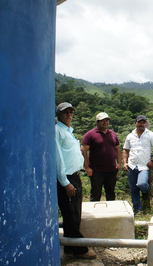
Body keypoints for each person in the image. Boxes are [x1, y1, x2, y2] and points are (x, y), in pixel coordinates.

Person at [55, 102, 96, 259]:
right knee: (70, 214)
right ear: (58, 114)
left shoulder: (68, 131)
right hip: (67, 178)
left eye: (71, 112)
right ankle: (80, 249)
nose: (69, 114)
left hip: (74, 176)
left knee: (75, 214)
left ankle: (70, 247)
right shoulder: (57, 131)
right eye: (65, 112)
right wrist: (65, 182)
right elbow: (58, 158)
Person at [123, 115, 153, 214]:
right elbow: (126, 150)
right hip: (132, 165)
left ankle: (145, 192)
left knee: (142, 184)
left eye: (143, 122)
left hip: (144, 166)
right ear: (135, 123)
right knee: (133, 189)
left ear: (146, 124)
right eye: (139, 122)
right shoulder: (130, 136)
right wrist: (125, 163)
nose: (141, 124)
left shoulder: (150, 135)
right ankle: (138, 210)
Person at [81, 112, 121, 201]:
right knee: (96, 194)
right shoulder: (90, 134)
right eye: (103, 121)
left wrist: (119, 163)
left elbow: (117, 149)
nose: (105, 122)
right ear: (97, 122)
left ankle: (110, 214)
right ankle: (95, 214)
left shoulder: (113, 134)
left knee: (111, 193)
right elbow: (83, 150)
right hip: (96, 170)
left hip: (111, 170)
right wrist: (87, 167)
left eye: (107, 120)